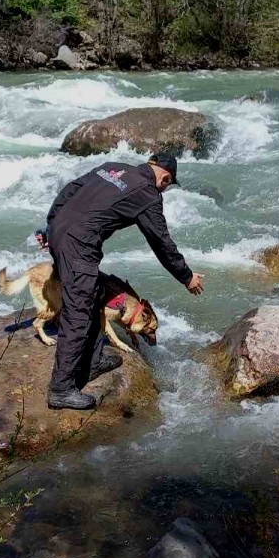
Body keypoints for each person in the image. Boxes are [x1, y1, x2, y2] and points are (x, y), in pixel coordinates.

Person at [43, 154, 205, 410]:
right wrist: (186, 276)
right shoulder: (148, 193)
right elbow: (161, 242)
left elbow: (71, 189)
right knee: (79, 313)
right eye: (167, 185)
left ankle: (93, 361)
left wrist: (50, 226)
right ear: (165, 178)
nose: (163, 189)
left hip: (61, 231)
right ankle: (61, 389)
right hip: (78, 246)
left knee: (95, 294)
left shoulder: (113, 168)